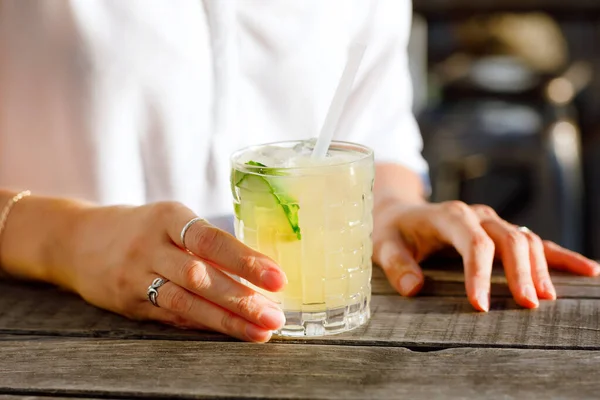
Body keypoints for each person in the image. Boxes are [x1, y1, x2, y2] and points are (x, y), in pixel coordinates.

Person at [0, 0, 597, 343]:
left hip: (291, 350)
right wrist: (64, 241)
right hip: (50, 346)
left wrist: (389, 211)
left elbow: (376, 136)